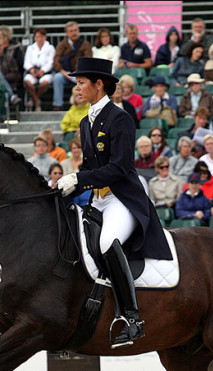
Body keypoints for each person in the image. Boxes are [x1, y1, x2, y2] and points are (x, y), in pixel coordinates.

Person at [53, 56, 171, 347]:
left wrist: (78, 179)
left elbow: (119, 168)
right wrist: (72, 183)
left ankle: (132, 318)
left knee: (106, 244)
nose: (77, 88)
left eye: (81, 83)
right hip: (97, 198)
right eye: (77, 83)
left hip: (123, 199)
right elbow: (93, 167)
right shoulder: (85, 122)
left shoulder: (120, 118)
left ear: (99, 85)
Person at [52, 21, 92, 111]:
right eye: (71, 31)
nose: (74, 33)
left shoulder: (85, 44)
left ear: (78, 31)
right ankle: (58, 105)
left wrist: (79, 72)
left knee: (89, 80)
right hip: (66, 74)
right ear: (67, 33)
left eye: (75, 30)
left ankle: (87, 103)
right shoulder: (62, 45)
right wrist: (63, 72)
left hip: (81, 73)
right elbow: (56, 61)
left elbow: (88, 59)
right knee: (57, 78)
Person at [23, 27, 55, 111]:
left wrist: (43, 70)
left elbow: (51, 62)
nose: (40, 39)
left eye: (41, 36)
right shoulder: (30, 48)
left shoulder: (50, 48)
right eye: (37, 37)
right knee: (27, 81)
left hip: (46, 72)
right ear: (34, 38)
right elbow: (26, 62)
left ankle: (33, 99)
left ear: (45, 37)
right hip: (33, 71)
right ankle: (37, 101)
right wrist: (31, 70)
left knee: (44, 83)